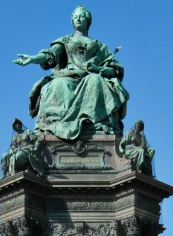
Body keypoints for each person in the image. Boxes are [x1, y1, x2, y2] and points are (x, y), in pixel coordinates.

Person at [13, 5, 129, 140]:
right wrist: (33, 59)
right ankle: (57, 124)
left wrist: (102, 70)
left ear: (88, 20)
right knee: (57, 85)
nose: (78, 19)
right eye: (75, 17)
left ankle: (92, 121)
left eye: (81, 16)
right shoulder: (65, 41)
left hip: (89, 76)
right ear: (72, 21)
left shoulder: (99, 46)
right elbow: (50, 55)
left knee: (95, 80)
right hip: (68, 76)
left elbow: (113, 68)